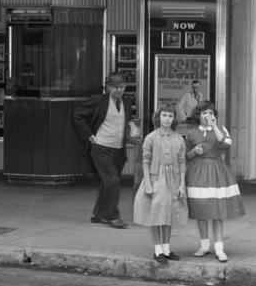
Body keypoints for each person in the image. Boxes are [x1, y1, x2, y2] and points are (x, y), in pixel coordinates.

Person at [73, 71, 139, 229]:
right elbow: (78, 115)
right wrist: (89, 135)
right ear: (108, 87)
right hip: (101, 147)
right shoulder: (98, 101)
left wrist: (131, 132)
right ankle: (112, 216)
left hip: (118, 149)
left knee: (107, 182)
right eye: (115, 87)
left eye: (122, 87)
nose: (119, 90)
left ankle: (98, 214)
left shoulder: (127, 102)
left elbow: (126, 121)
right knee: (113, 181)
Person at [185, 101, 245, 263]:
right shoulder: (191, 134)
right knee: (201, 209)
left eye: (211, 113)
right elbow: (185, 156)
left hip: (217, 171)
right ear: (199, 115)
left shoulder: (221, 130)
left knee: (217, 211)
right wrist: (193, 152)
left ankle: (219, 247)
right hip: (197, 172)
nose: (208, 116)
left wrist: (215, 126)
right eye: (204, 112)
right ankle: (204, 245)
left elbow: (225, 144)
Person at [133, 104, 188, 262]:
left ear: (174, 119)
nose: (167, 119)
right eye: (164, 115)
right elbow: (145, 161)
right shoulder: (151, 137)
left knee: (168, 214)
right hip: (156, 178)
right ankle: (158, 250)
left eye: (170, 116)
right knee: (156, 213)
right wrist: (148, 183)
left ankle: (166, 248)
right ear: (158, 117)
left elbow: (182, 162)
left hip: (173, 178)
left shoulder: (178, 138)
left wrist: (182, 184)